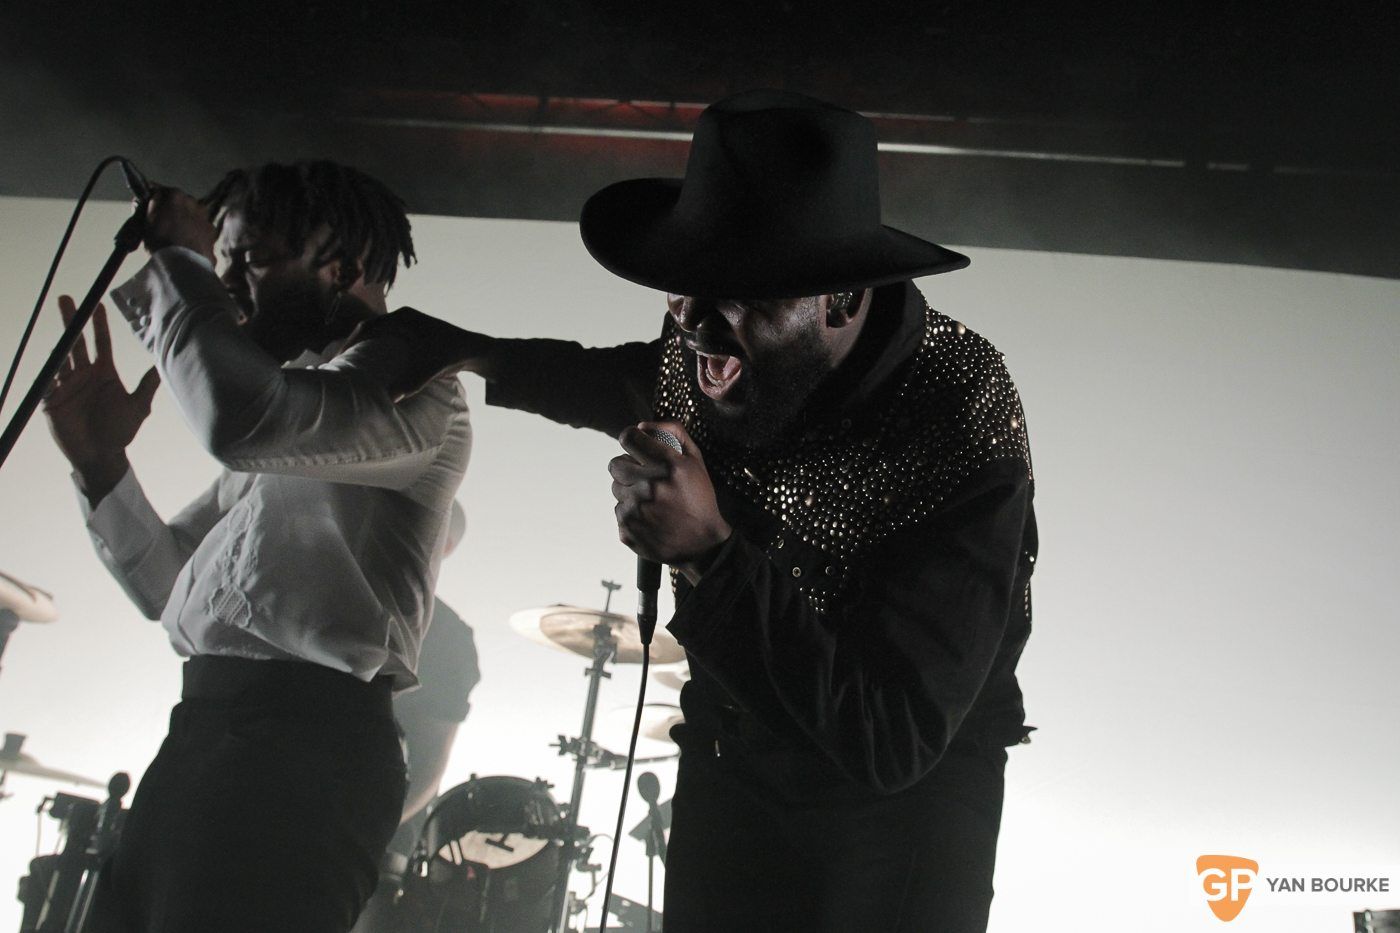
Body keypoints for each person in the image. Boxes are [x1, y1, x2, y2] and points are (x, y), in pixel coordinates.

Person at [350, 90, 1037, 932]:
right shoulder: (707, 347)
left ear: (841, 299)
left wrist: (711, 555)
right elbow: (621, 380)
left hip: (902, 810)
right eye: (686, 287)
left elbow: (891, 736)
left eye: (742, 293)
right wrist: (473, 352)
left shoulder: (955, 412)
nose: (698, 325)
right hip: (734, 753)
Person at [41, 160, 472, 933]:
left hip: (304, 752)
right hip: (203, 731)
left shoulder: (416, 387)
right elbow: (169, 587)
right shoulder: (296, 410)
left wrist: (181, 263)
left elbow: (240, 420)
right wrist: (101, 465)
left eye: (253, 258)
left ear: (342, 268)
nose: (229, 282)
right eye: (223, 261)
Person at [352, 501, 481, 933]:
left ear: (445, 547)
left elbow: (428, 767)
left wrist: (367, 833)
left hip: (371, 845)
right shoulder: (342, 593)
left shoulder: (446, 635)